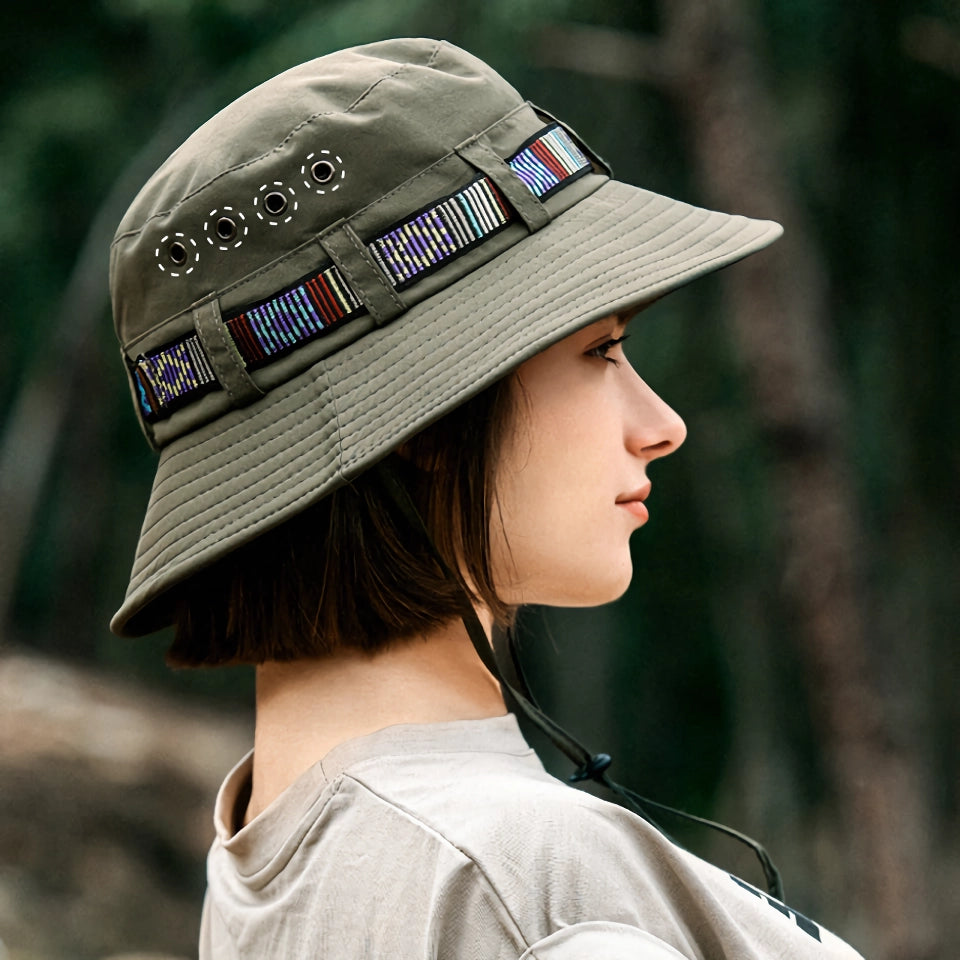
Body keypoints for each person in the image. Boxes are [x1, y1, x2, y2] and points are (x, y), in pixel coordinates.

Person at [109, 38, 864, 960]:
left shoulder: (272, 855)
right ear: (425, 418)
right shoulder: (521, 882)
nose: (662, 424)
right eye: (600, 351)